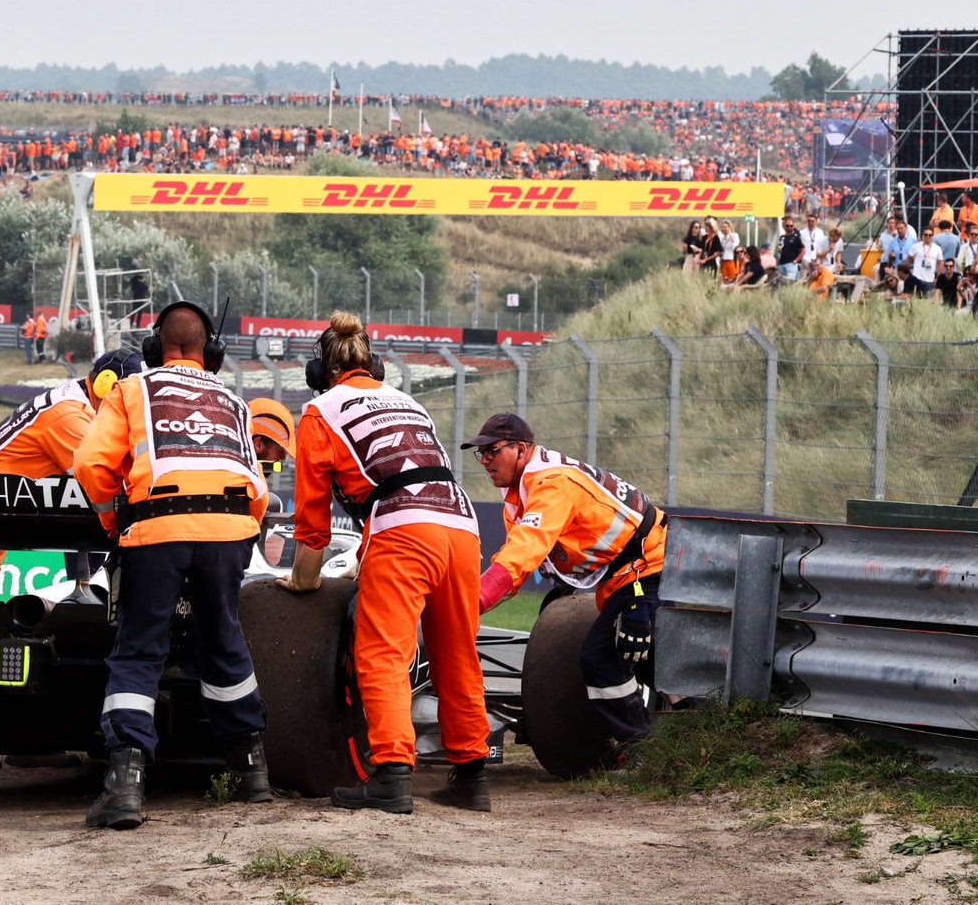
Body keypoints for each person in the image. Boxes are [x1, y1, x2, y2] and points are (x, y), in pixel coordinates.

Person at [278, 312, 489, 814]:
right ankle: (471, 776)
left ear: (321, 371)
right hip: (460, 525)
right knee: (456, 652)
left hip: (403, 527)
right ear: (373, 365)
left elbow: (312, 516)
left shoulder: (319, 411)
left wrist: (304, 579)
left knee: (382, 652)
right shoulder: (409, 402)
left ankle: (392, 774)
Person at [73, 302, 270, 830]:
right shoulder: (234, 400)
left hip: (156, 530)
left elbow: (90, 464)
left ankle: (125, 785)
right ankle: (249, 771)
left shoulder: (131, 389)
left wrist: (114, 520)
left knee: (140, 649)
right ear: (212, 352)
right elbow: (257, 488)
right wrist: (238, 533)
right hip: (230, 530)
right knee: (224, 640)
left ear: (153, 348)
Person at [472, 412, 665, 750]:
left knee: (602, 657)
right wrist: (471, 602)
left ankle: (642, 749)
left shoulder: (552, 484)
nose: (485, 460)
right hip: (626, 574)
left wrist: (472, 602)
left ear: (520, 449)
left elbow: (524, 552)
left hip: (650, 566)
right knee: (649, 657)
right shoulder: (519, 495)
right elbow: (518, 565)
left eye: (492, 450)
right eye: (481, 453)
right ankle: (691, 721)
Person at [0, 346, 144, 601]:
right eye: (127, 401)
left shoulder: (70, 404)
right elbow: (103, 477)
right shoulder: (69, 416)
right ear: (106, 386)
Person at [773, 217, 803, 283]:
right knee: (781, 282)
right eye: (787, 226)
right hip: (782, 263)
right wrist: (779, 250)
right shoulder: (782, 237)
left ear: (793, 226)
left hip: (791, 264)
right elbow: (780, 250)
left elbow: (803, 251)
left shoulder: (797, 236)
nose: (789, 227)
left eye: (791, 226)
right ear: (784, 226)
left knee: (789, 282)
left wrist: (796, 260)